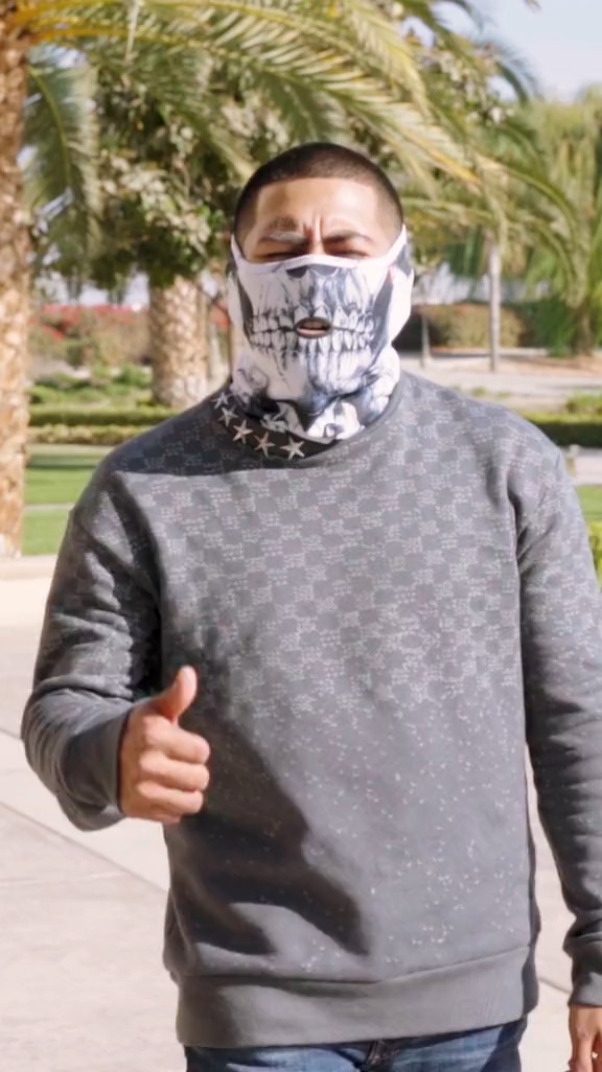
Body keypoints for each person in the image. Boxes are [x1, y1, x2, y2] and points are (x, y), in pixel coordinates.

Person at [21, 142, 602, 1072]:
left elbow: (580, 718)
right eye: (283, 248)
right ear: (235, 274)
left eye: (346, 246)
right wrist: (109, 752)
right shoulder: (143, 488)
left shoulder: (504, 467)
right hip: (257, 1011)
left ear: (400, 272)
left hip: (472, 1008)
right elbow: (64, 707)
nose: (314, 271)